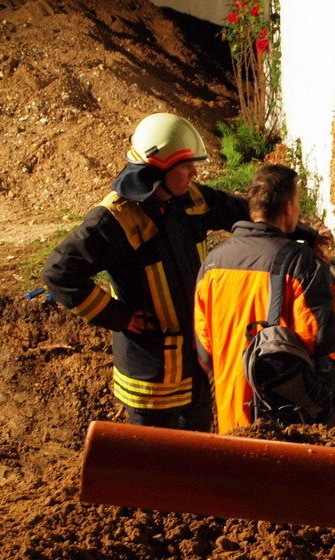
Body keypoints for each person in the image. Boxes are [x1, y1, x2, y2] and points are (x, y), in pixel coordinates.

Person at [43, 112, 249, 431]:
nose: (195, 173)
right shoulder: (113, 221)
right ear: (159, 169)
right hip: (150, 380)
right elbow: (59, 272)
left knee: (198, 460)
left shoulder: (191, 199)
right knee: (153, 469)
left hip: (193, 366)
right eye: (187, 165)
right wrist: (118, 317)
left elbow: (248, 213)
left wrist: (297, 231)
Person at [193, 164, 335, 434]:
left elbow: (204, 349)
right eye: (296, 203)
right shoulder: (299, 264)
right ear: (287, 207)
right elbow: (323, 338)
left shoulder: (212, 263)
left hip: (231, 419)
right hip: (282, 425)